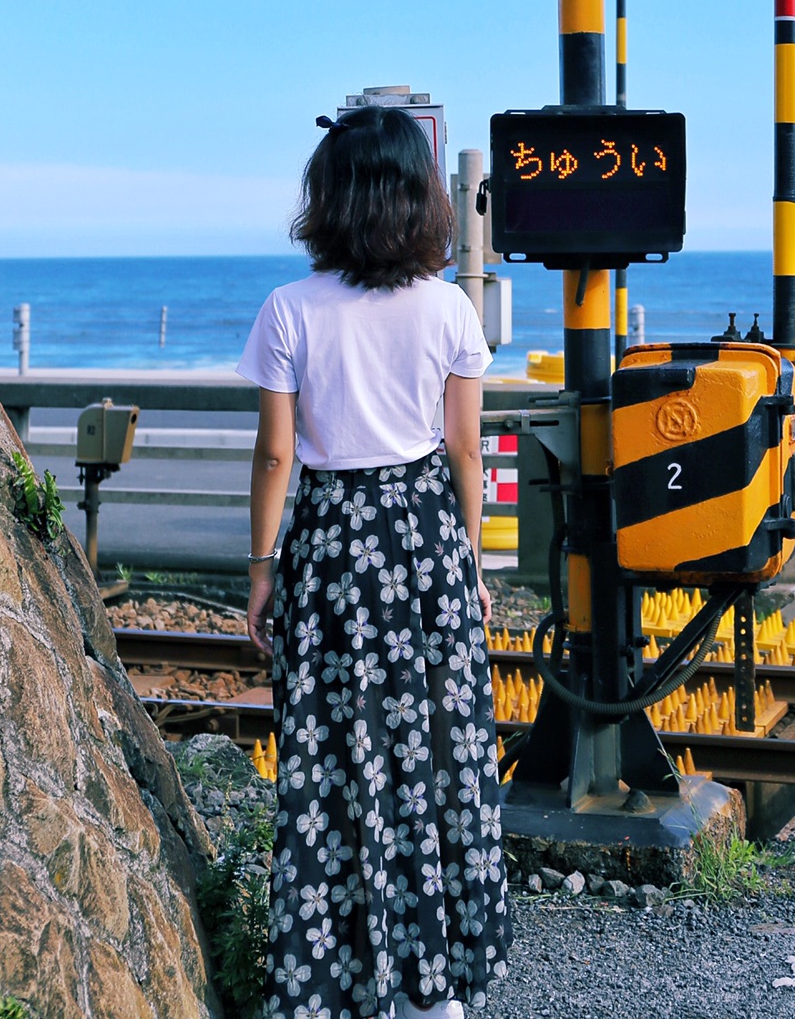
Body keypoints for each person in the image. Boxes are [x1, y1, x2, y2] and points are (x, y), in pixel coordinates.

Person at [238, 106, 510, 1019]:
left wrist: (262, 565)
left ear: (333, 197)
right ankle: (438, 990)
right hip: (425, 541)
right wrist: (469, 562)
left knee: (333, 761)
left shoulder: (289, 310)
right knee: (435, 756)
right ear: (421, 199)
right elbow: (467, 451)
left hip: (329, 546)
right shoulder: (449, 307)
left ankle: (338, 984)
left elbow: (277, 456)